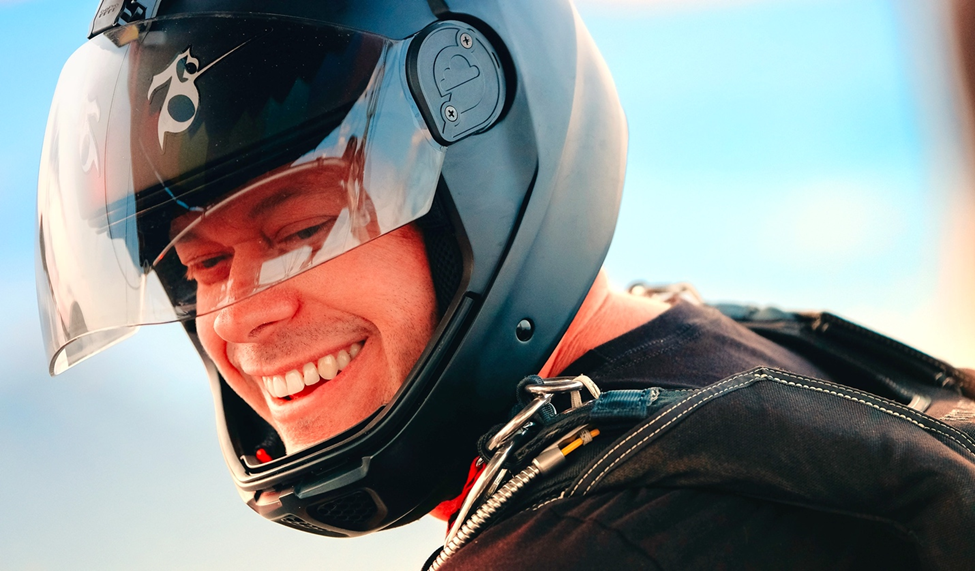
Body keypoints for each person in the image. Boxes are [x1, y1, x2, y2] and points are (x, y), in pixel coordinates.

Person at [35, 0, 975, 568]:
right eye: (200, 265)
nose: (241, 313)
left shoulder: (596, 544)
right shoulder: (720, 369)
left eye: (300, 230)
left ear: (479, 186)